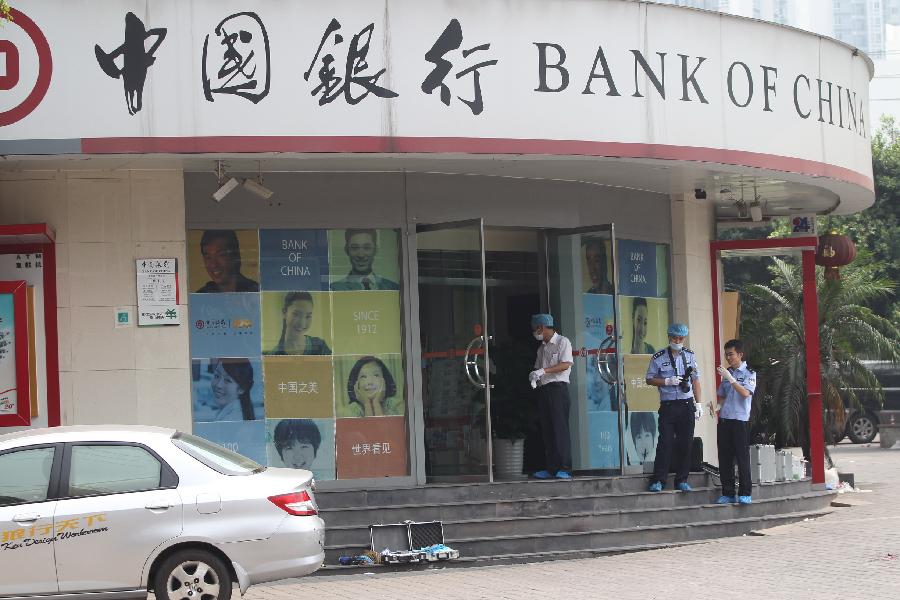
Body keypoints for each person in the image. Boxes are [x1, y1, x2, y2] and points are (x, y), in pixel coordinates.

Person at [645, 323, 702, 492]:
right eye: (674, 338)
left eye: (681, 338)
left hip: (686, 404)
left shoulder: (690, 356)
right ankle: (659, 480)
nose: (677, 341)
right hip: (668, 405)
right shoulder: (659, 357)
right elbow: (649, 379)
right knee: (665, 443)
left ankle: (682, 480)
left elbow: (696, 381)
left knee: (686, 443)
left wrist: (698, 403)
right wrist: (666, 381)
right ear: (669, 337)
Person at [529, 314, 574, 480]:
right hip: (545, 389)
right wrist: (535, 376)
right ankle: (552, 468)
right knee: (548, 430)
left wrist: (544, 371)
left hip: (558, 389)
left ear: (542, 327)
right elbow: (537, 368)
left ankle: (565, 468)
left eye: (536, 329)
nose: (535, 332)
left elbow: (565, 364)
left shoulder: (563, 342)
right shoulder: (541, 348)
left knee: (559, 429)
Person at [714, 339, 757, 505]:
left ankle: (745, 492)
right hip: (725, 420)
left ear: (740, 354)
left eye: (731, 354)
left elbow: (745, 393)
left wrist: (731, 379)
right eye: (726, 355)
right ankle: (728, 492)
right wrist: (717, 407)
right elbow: (723, 396)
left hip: (740, 422)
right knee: (725, 458)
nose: (728, 358)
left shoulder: (749, 373)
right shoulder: (727, 373)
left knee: (742, 458)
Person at [330, 229, 399, 290]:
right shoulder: (335, 288)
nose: (361, 255)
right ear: (346, 250)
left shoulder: (392, 287)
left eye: (367, 247)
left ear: (375, 249)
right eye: (354, 248)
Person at [266, 292, 332, 355]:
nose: (302, 324)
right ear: (284, 312)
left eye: (308, 316)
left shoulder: (320, 346)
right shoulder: (274, 354)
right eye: (296, 314)